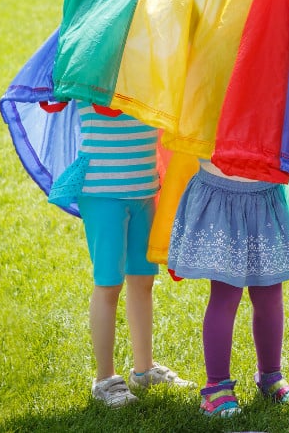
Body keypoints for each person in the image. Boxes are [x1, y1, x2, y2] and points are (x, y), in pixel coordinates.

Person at [50, 101, 195, 407]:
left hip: (144, 189)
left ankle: (143, 370)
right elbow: (55, 90)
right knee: (108, 285)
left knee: (142, 282)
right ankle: (105, 380)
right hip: (103, 193)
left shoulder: (148, 64)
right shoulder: (91, 62)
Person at [166, 160, 289, 417]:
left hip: (265, 193)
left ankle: (271, 377)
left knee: (270, 295)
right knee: (225, 295)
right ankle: (216, 389)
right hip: (221, 192)